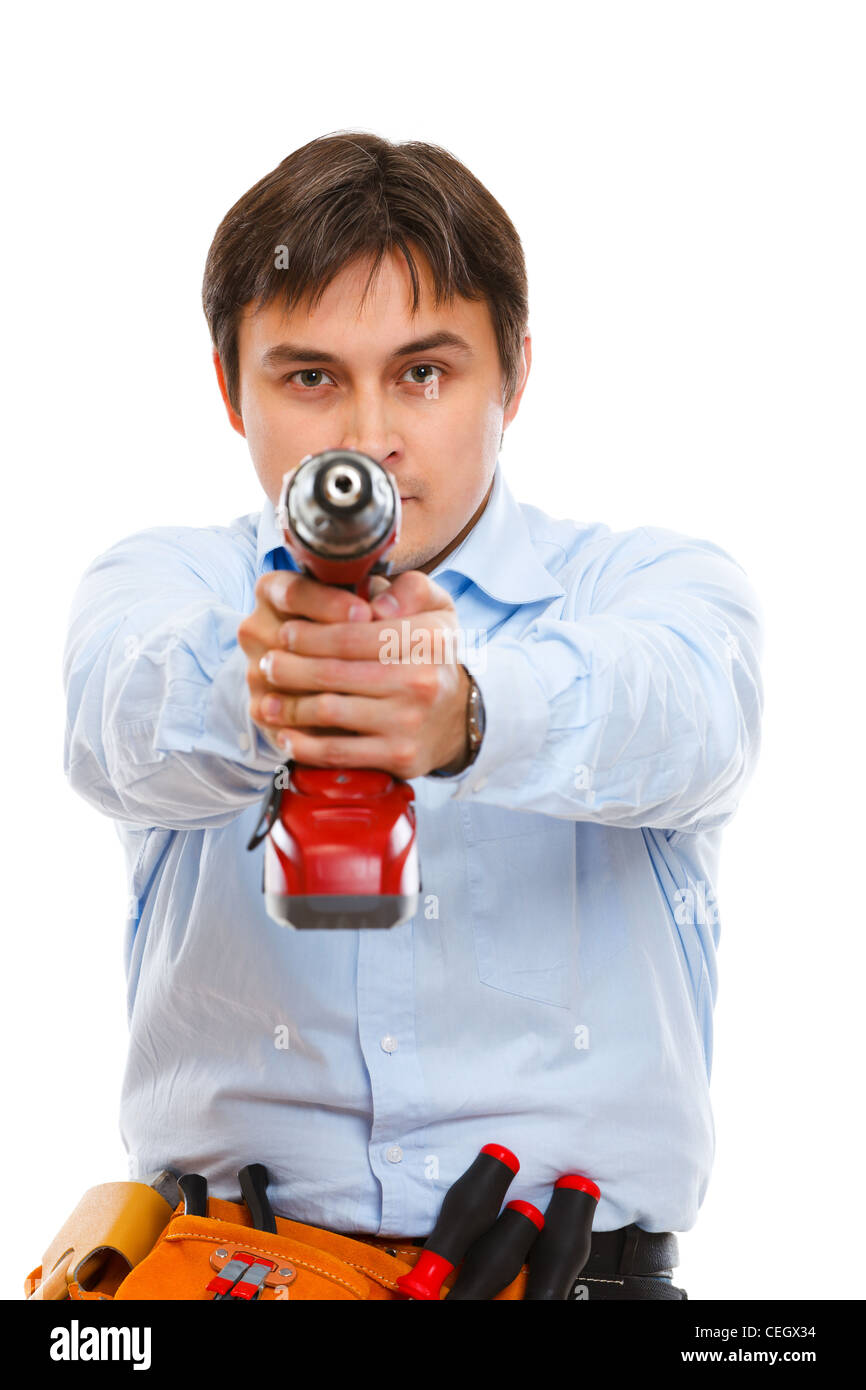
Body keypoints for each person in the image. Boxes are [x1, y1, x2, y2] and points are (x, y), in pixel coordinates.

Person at [61, 131, 764, 1300]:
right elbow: (113, 717)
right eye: (309, 376)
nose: (367, 437)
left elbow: (689, 711)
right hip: (229, 1277)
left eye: (423, 372)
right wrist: (265, 688)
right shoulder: (168, 590)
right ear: (230, 390)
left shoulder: (650, 587)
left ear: (515, 377)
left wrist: (466, 717)